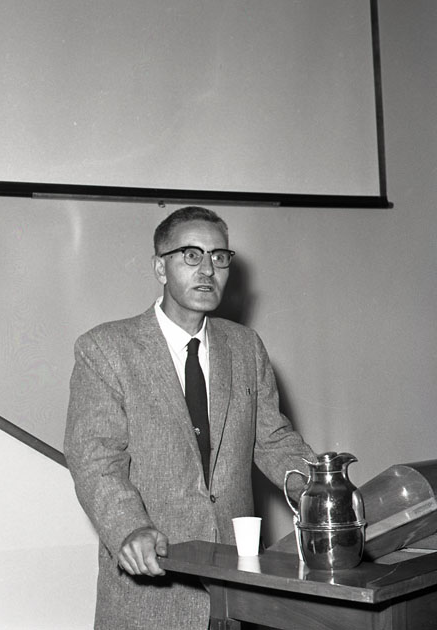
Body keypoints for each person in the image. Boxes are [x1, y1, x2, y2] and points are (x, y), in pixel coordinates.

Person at [64, 206, 315, 629]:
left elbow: (274, 441)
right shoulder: (106, 348)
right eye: (191, 255)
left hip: (235, 589)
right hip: (152, 589)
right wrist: (130, 529)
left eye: (219, 257)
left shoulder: (246, 346)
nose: (208, 270)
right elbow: (95, 459)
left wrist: (324, 489)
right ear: (160, 268)